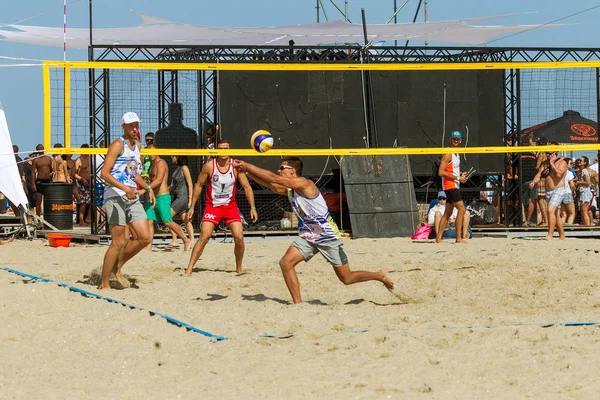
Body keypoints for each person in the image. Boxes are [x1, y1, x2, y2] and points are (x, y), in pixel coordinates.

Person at [232, 156, 395, 304]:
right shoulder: (292, 189)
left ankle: (379, 275)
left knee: (346, 278)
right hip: (309, 235)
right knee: (285, 263)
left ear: (292, 171)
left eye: (282, 168)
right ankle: (298, 304)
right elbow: (272, 185)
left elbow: (274, 179)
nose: (278, 171)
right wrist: (246, 172)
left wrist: (248, 166)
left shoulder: (305, 184)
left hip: (327, 236)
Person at [99, 112, 155, 290]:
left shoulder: (137, 146)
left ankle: (118, 264)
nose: (134, 128)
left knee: (145, 237)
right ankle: (104, 283)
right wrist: (125, 188)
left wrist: (147, 188)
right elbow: (104, 174)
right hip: (115, 195)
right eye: (131, 125)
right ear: (123, 126)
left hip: (131, 196)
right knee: (119, 241)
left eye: (136, 125)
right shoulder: (117, 144)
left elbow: (132, 173)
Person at [185, 140, 258, 275]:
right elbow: (199, 186)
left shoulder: (236, 166)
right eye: (221, 148)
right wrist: (192, 206)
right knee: (205, 236)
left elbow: (247, 187)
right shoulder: (209, 166)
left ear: (230, 150)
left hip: (230, 207)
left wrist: (252, 207)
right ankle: (189, 268)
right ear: (216, 150)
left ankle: (239, 268)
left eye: (226, 148)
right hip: (213, 206)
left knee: (239, 237)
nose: (224, 151)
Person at [143, 144, 192, 251]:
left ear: (158, 151)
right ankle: (148, 247)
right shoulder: (152, 164)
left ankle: (186, 240)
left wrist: (144, 189)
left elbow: (159, 180)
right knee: (148, 220)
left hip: (164, 197)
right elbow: (156, 182)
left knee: (168, 221)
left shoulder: (162, 163)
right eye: (148, 152)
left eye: (152, 152)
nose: (150, 154)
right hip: (154, 197)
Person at [435, 130, 469, 244]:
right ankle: (458, 238)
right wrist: (458, 178)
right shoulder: (448, 153)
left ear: (460, 141)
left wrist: (460, 175)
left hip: (453, 184)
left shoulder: (456, 154)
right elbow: (440, 172)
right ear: (450, 140)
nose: (455, 140)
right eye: (454, 139)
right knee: (462, 210)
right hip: (450, 186)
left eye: (457, 139)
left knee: (448, 213)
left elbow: (451, 171)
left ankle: (438, 238)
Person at [529, 142, 567, 240]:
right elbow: (539, 174)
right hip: (549, 190)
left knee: (550, 210)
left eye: (550, 154)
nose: (548, 155)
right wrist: (533, 182)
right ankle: (562, 236)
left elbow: (559, 175)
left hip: (559, 189)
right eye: (547, 153)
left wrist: (552, 164)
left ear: (556, 152)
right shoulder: (544, 163)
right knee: (555, 213)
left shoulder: (562, 162)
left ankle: (550, 235)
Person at [168, 155, 195, 249]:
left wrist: (190, 200)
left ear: (178, 157)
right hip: (176, 196)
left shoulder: (184, 168)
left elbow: (190, 184)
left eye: (173, 156)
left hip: (182, 197)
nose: (171, 157)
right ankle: (192, 241)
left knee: (167, 216)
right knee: (185, 218)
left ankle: (175, 240)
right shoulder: (178, 169)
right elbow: (173, 186)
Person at [31, 144, 53, 216]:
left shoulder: (48, 158)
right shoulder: (35, 160)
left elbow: (53, 170)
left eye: (42, 148)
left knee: (48, 201)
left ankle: (48, 217)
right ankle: (38, 218)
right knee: (38, 201)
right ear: (37, 150)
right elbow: (33, 172)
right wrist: (33, 184)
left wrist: (51, 175)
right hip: (40, 181)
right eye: (39, 148)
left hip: (48, 181)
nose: (41, 149)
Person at [74, 144, 92, 226]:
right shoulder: (79, 160)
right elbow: (74, 174)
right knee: (83, 202)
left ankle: (89, 218)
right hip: (82, 184)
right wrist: (81, 179)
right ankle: (81, 220)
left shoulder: (90, 159)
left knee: (93, 201)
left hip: (90, 183)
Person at [574, 156, 594, 226]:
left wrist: (578, 182)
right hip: (583, 192)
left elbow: (588, 182)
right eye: (579, 160)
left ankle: (587, 227)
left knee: (584, 211)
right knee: (583, 212)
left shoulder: (584, 171)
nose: (579, 162)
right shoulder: (580, 171)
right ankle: (586, 226)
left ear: (585, 163)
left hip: (585, 192)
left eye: (581, 161)